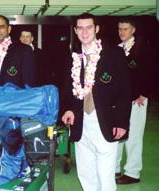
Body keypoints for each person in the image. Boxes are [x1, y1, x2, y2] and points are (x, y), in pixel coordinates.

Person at [61, 13, 132, 191]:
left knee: (105, 172)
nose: (85, 32)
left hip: (105, 119)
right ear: (76, 31)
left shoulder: (113, 53)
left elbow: (125, 90)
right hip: (80, 121)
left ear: (96, 29)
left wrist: (121, 122)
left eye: (89, 27)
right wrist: (68, 109)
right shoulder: (73, 57)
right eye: (81, 28)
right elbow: (67, 87)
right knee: (85, 172)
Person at [115, 18, 150, 184]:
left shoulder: (142, 47)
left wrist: (144, 93)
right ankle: (114, 168)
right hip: (121, 99)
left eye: (125, 29)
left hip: (137, 99)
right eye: (120, 29)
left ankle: (133, 173)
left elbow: (151, 71)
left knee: (134, 136)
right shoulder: (117, 48)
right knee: (118, 134)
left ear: (133, 30)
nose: (122, 32)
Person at [0, 15, 35, 87]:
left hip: (12, 97)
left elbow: (28, 84)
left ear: (9, 29)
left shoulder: (23, 50)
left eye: (1, 27)